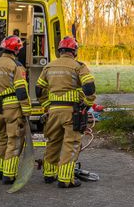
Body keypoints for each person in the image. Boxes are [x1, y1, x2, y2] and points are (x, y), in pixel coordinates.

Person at [36, 36, 96, 188]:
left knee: (53, 142)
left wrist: (47, 105)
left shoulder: (48, 67)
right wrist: (86, 105)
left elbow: (39, 89)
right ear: (74, 51)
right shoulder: (79, 66)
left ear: (59, 51)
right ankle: (65, 179)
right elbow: (89, 87)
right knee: (71, 144)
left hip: (53, 111)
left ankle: (49, 174)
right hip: (72, 112)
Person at [0, 35, 30, 184]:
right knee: (15, 140)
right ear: (16, 50)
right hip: (12, 108)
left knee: (2, 139)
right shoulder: (16, 65)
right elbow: (21, 91)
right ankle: (9, 175)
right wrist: (26, 110)